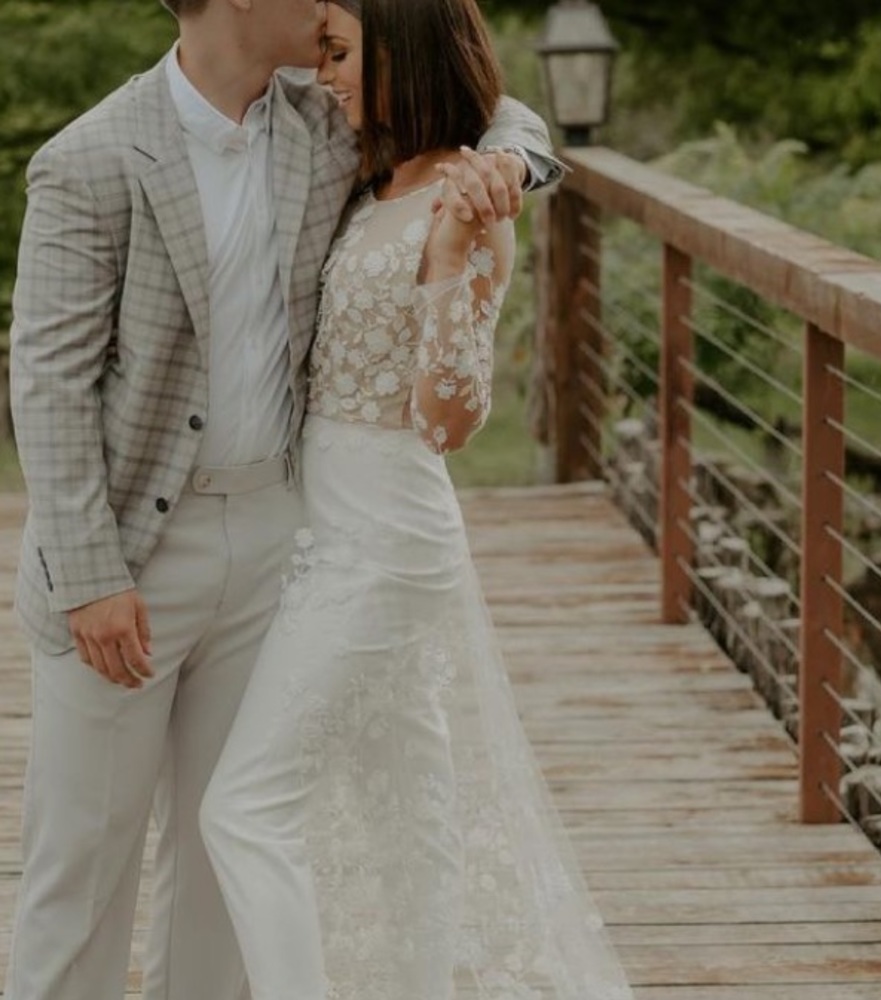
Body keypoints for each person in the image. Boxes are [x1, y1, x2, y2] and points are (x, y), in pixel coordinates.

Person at [2, 0, 561, 995]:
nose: (323, 4)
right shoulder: (90, 158)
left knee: (222, 864)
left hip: (279, 541)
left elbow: (487, 104)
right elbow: (47, 384)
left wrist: (512, 165)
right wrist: (89, 577)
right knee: (81, 869)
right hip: (124, 557)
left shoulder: (321, 113)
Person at [199, 2, 634, 999]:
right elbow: (514, 115)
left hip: (386, 541)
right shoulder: (372, 173)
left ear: (405, 50)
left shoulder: (468, 202)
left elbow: (450, 420)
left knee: (244, 806)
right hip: (324, 530)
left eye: (343, 55)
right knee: (410, 809)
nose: (326, 76)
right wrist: (515, 151)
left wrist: (450, 268)